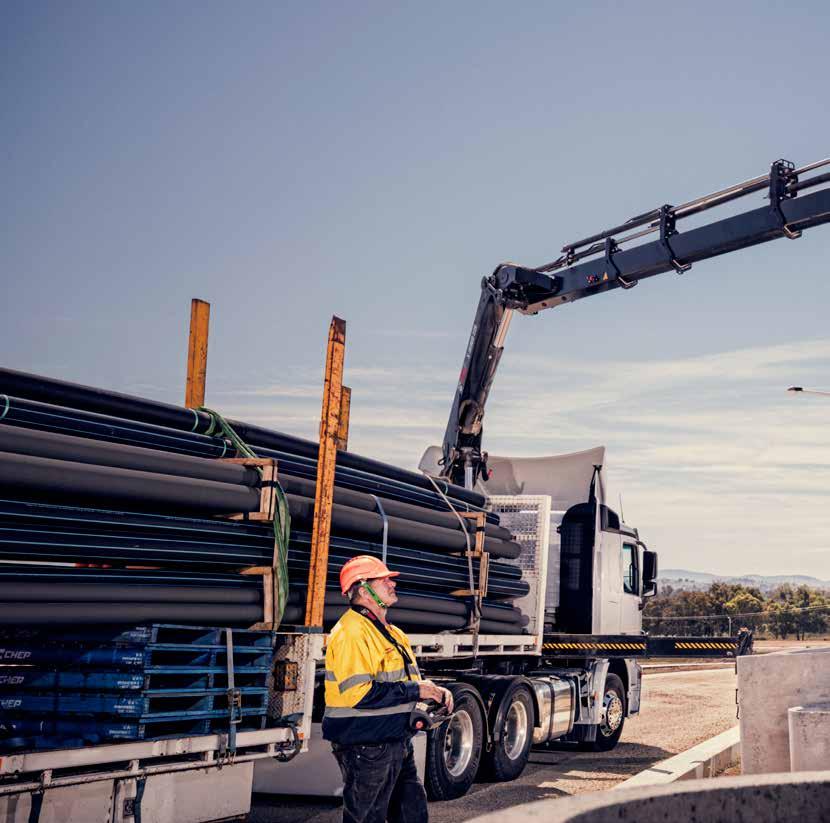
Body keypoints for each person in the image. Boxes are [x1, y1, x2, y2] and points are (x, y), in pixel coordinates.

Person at [323, 555, 453, 823]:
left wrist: (434, 692)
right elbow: (359, 693)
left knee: (412, 812)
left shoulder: (392, 633)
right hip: (367, 743)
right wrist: (417, 690)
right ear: (363, 590)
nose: (392, 585)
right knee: (368, 817)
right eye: (384, 581)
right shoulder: (352, 632)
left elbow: (406, 681)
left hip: (393, 739)